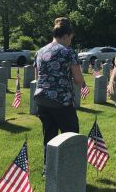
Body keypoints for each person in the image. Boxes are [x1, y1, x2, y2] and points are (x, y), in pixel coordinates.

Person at [33, 17, 85, 176]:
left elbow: (37, 77)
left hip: (42, 99)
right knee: (70, 134)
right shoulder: (68, 52)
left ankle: (48, 170)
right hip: (60, 100)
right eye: (71, 38)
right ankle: (70, 170)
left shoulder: (40, 51)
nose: (70, 41)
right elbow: (78, 79)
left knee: (49, 135)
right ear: (66, 35)